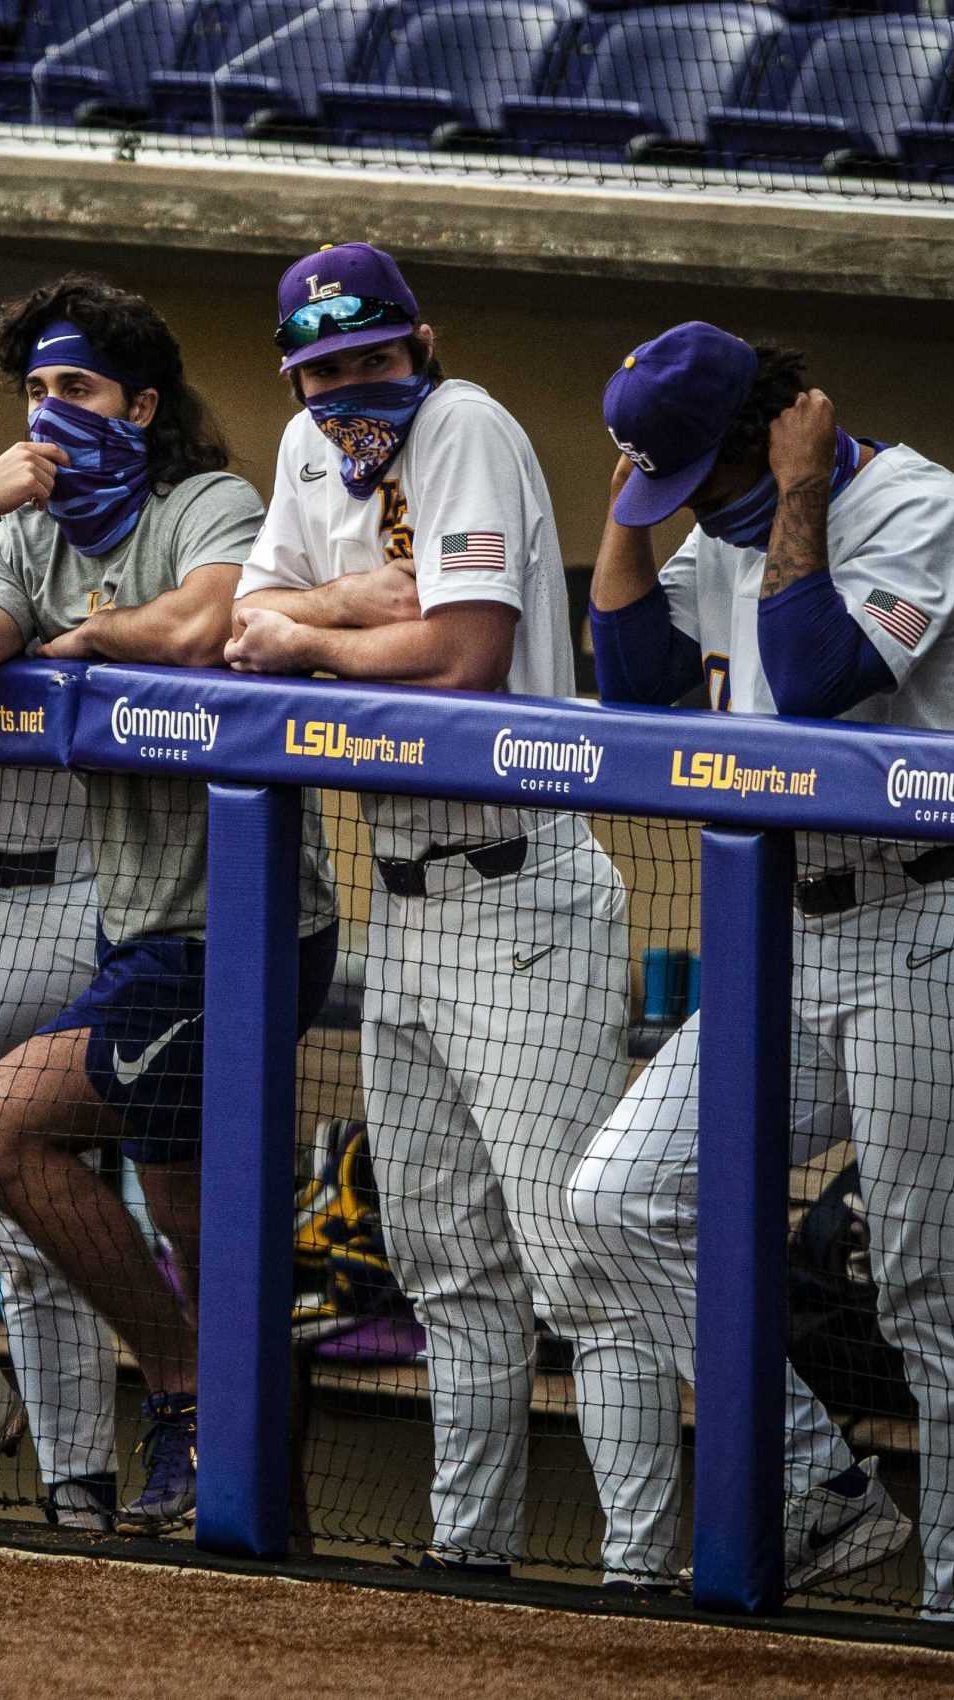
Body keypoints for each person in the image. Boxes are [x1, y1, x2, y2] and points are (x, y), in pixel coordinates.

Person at [572, 321, 954, 1622]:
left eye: (703, 483)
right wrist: (634, 509)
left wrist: (798, 495)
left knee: (931, 1297)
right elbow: (630, 688)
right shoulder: (720, 525)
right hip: (797, 934)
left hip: (946, 926)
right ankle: (823, 1490)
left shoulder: (919, 506)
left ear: (780, 429)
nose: (698, 515)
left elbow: (812, 684)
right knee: (622, 1197)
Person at [223, 242, 659, 1581]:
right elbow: (244, 620)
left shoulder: (465, 423)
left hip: (518, 890)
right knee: (442, 1264)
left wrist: (311, 635)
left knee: (579, 1261)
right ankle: (467, 1559)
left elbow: (463, 657)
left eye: (373, 359)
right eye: (324, 369)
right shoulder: (307, 453)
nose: (353, 389)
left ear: (422, 342)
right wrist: (344, 613)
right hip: (399, 903)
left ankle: (658, 1561)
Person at [0, 273, 342, 1533]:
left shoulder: (204, 496)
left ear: (141, 404)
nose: (51, 412)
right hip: (140, 923)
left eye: (78, 389)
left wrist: (87, 640)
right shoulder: (27, 529)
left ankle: (194, 1403)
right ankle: (241, 1475)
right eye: (36, 391)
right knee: (194, 1228)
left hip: (245, 923)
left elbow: (207, 623)